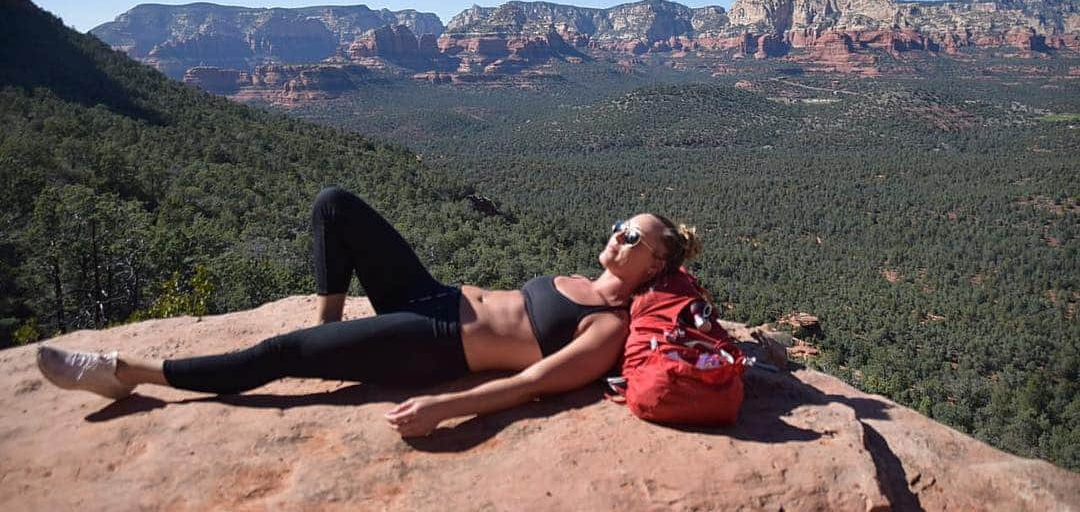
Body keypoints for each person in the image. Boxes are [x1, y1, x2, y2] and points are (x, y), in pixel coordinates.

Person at [37, 187, 701, 437]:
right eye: (619, 224)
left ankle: (128, 370)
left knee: (280, 355)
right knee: (335, 204)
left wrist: (447, 407)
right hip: (431, 295)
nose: (617, 236)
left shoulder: (607, 327)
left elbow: (532, 385)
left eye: (633, 237)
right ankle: (332, 327)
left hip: (437, 342)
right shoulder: (577, 278)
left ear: (654, 267)